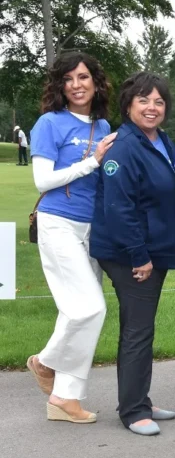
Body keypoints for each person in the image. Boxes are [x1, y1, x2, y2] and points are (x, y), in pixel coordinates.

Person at [90, 71, 175, 436]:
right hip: (129, 253)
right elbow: (119, 207)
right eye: (143, 100)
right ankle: (132, 410)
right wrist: (138, 255)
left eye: (159, 101)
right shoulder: (124, 146)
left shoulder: (160, 140)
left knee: (138, 327)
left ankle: (139, 399)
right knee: (138, 330)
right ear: (128, 104)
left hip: (151, 249)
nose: (152, 107)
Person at [25, 52, 116, 423]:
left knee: (73, 313)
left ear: (95, 82)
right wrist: (91, 162)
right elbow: (42, 180)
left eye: (83, 77)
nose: (76, 85)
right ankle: (45, 361)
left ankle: (65, 399)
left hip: (90, 228)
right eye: (68, 79)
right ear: (60, 86)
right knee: (90, 308)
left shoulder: (103, 123)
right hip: (57, 223)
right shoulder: (49, 123)